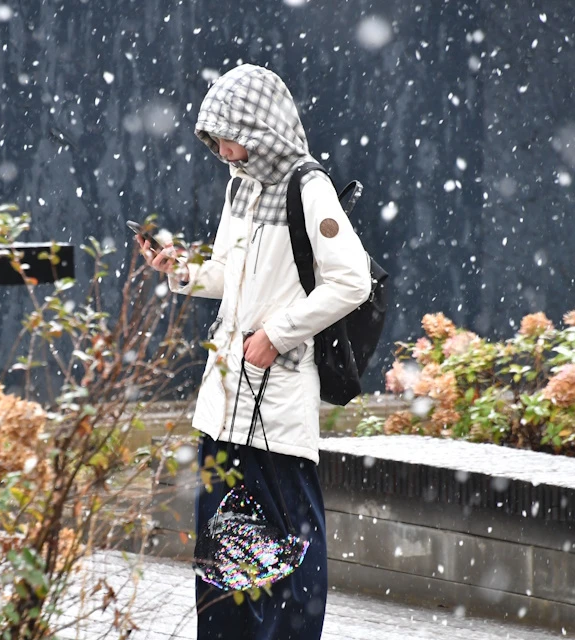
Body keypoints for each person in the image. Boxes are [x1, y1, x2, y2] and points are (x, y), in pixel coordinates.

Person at [138, 63, 371, 640]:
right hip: (225, 402)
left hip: (277, 402)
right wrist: (182, 272)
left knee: (288, 547)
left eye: (225, 134)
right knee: (224, 553)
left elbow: (352, 281)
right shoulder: (240, 186)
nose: (219, 148)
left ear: (258, 126)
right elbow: (229, 274)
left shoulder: (306, 186)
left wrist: (279, 333)